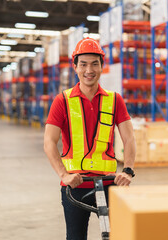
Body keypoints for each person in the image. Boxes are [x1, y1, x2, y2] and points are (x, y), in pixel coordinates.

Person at [44, 37, 136, 240]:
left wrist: (128, 170)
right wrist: (63, 175)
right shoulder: (62, 101)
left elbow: (129, 138)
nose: (89, 70)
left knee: (118, 236)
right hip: (75, 186)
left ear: (102, 66)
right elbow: (49, 142)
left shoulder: (115, 100)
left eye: (95, 64)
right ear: (75, 67)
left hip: (109, 183)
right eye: (83, 64)